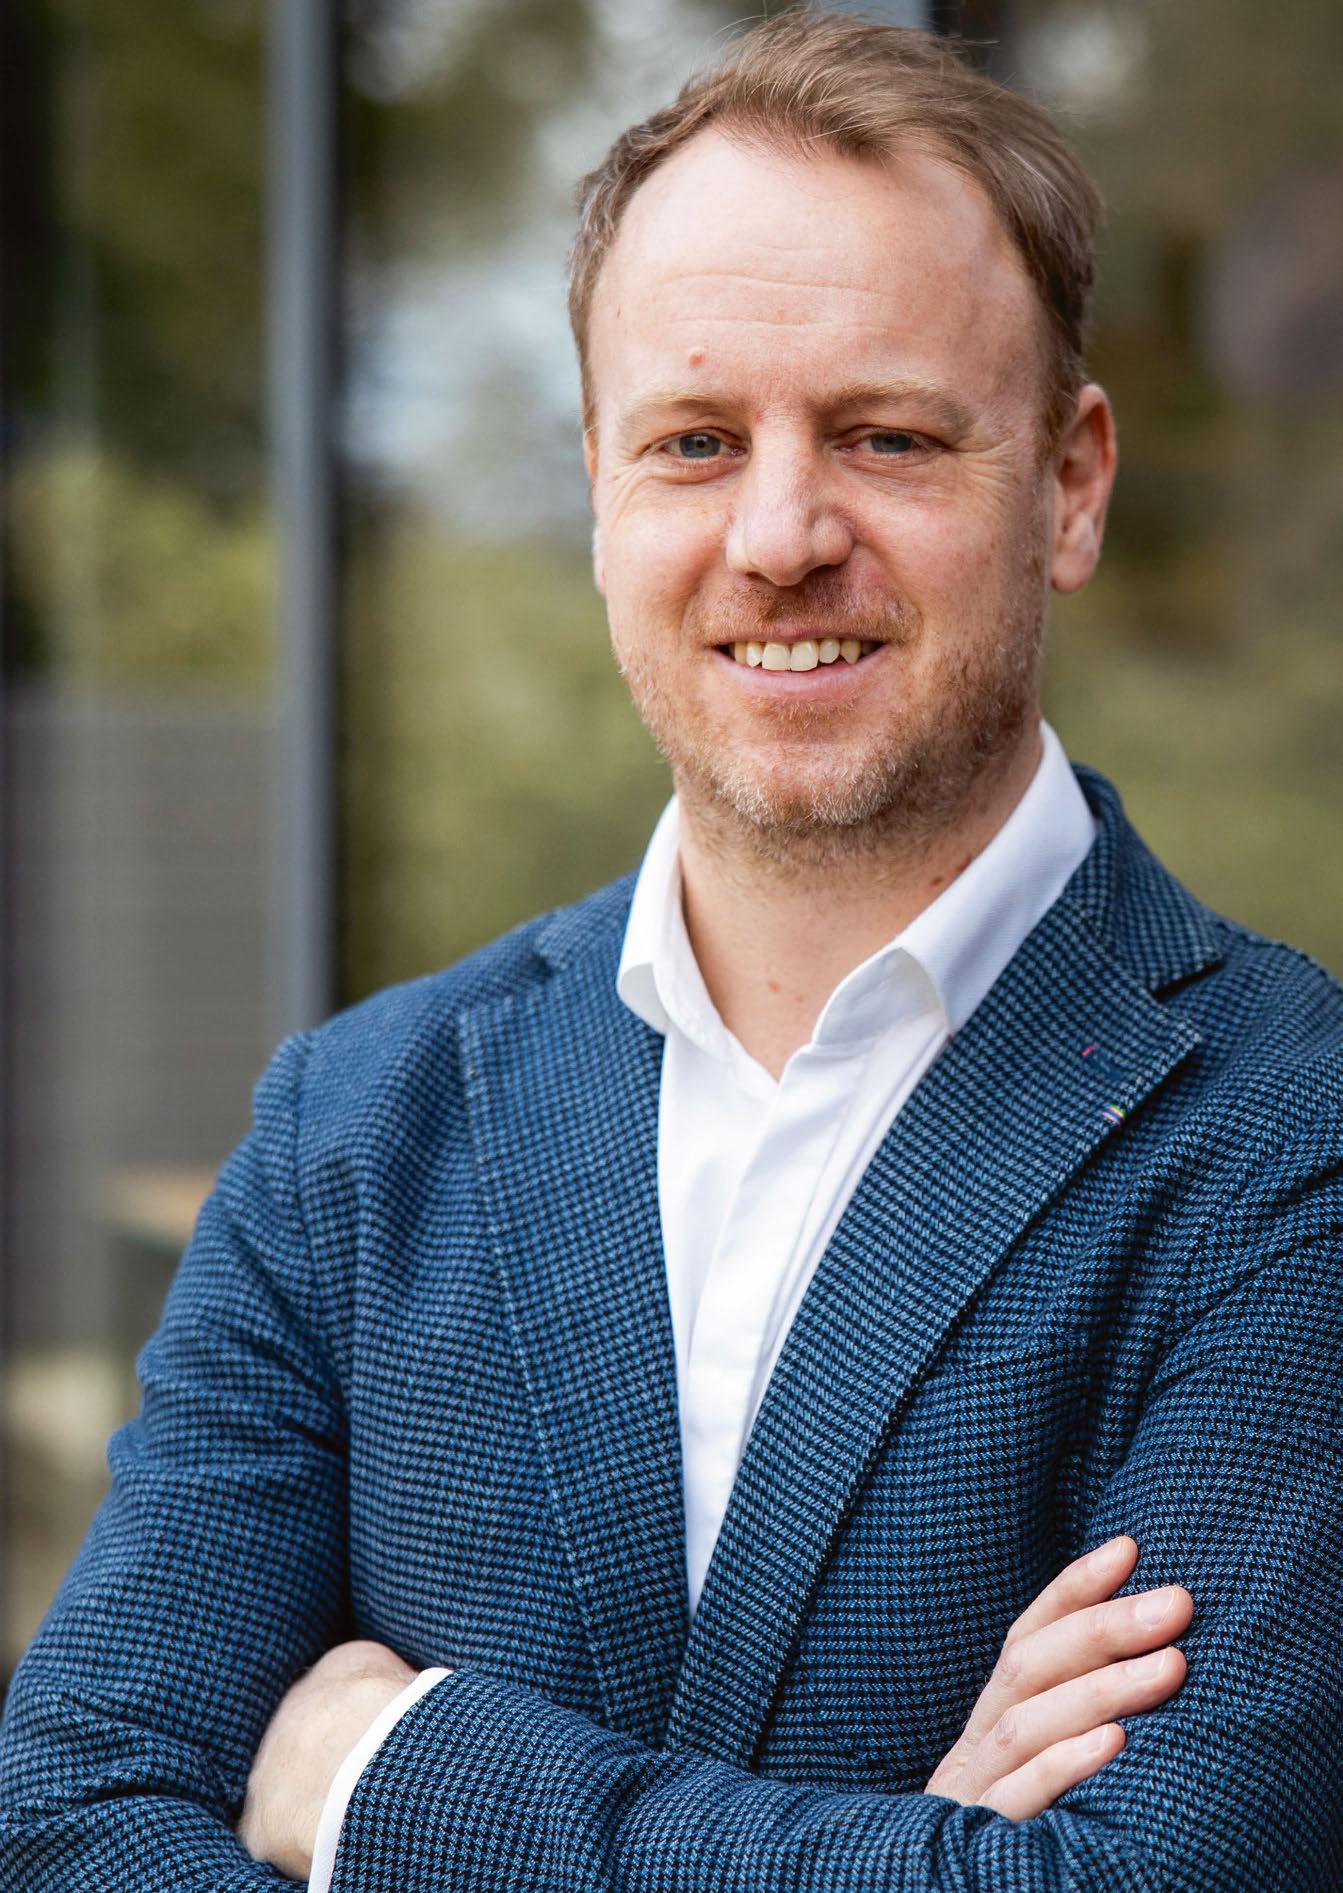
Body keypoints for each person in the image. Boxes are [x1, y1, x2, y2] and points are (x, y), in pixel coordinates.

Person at [3, 12, 1341, 1889]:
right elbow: (69, 1817)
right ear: (599, 487)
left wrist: (384, 1781)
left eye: (886, 436)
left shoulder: (1292, 1137)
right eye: (696, 442)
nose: (780, 534)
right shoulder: (355, 1129)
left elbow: (1148, 1880)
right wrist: (913, 1854)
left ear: (1070, 482)